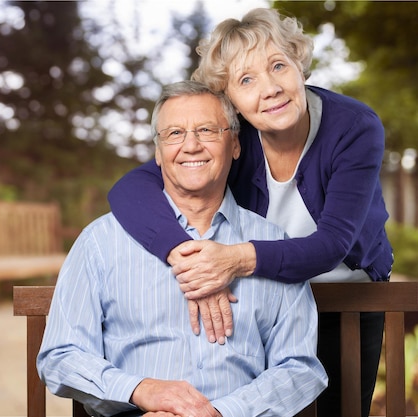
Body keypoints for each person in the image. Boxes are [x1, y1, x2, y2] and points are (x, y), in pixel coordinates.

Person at [107, 8, 393, 417]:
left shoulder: (355, 127)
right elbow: (130, 189)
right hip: (267, 303)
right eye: (246, 80)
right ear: (232, 102)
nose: (271, 88)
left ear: (300, 65)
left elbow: (331, 245)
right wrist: (182, 252)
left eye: (278, 65)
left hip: (346, 298)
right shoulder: (232, 139)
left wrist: (232, 259)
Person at [38, 80, 327, 417]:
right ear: (158, 153)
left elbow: (299, 368)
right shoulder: (101, 242)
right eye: (174, 134)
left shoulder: (274, 246)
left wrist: (219, 413)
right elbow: (61, 355)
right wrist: (143, 390)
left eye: (206, 130)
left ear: (234, 144)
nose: (191, 145)